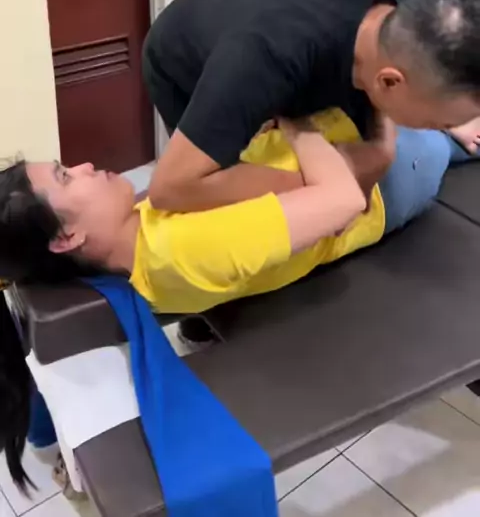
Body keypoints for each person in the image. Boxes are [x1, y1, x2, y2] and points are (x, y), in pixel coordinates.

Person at [0, 109, 479, 490]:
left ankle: (449, 125)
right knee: (443, 122)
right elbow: (346, 199)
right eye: (66, 177)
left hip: (338, 145)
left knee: (446, 115)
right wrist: (296, 118)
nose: (84, 166)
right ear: (66, 238)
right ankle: (448, 128)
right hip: (384, 180)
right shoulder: (177, 250)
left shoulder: (139, 227)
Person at [143, 0, 480, 213]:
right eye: (438, 122)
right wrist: (330, 182)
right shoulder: (266, 57)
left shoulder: (418, 6)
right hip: (187, 50)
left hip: (269, 13)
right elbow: (170, 189)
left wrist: (382, 150)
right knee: (211, 192)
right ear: (389, 82)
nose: (437, 127)